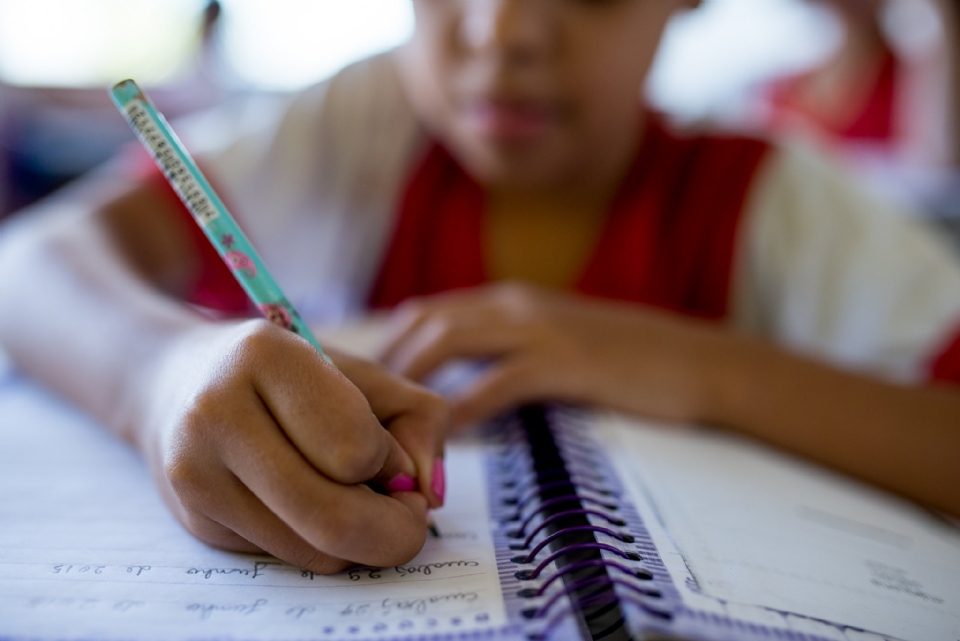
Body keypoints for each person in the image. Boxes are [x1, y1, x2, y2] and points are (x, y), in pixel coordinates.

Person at [0, 0, 958, 579]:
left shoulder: (768, 200)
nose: (502, 33)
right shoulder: (356, 122)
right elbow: (30, 264)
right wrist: (156, 375)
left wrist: (695, 369)